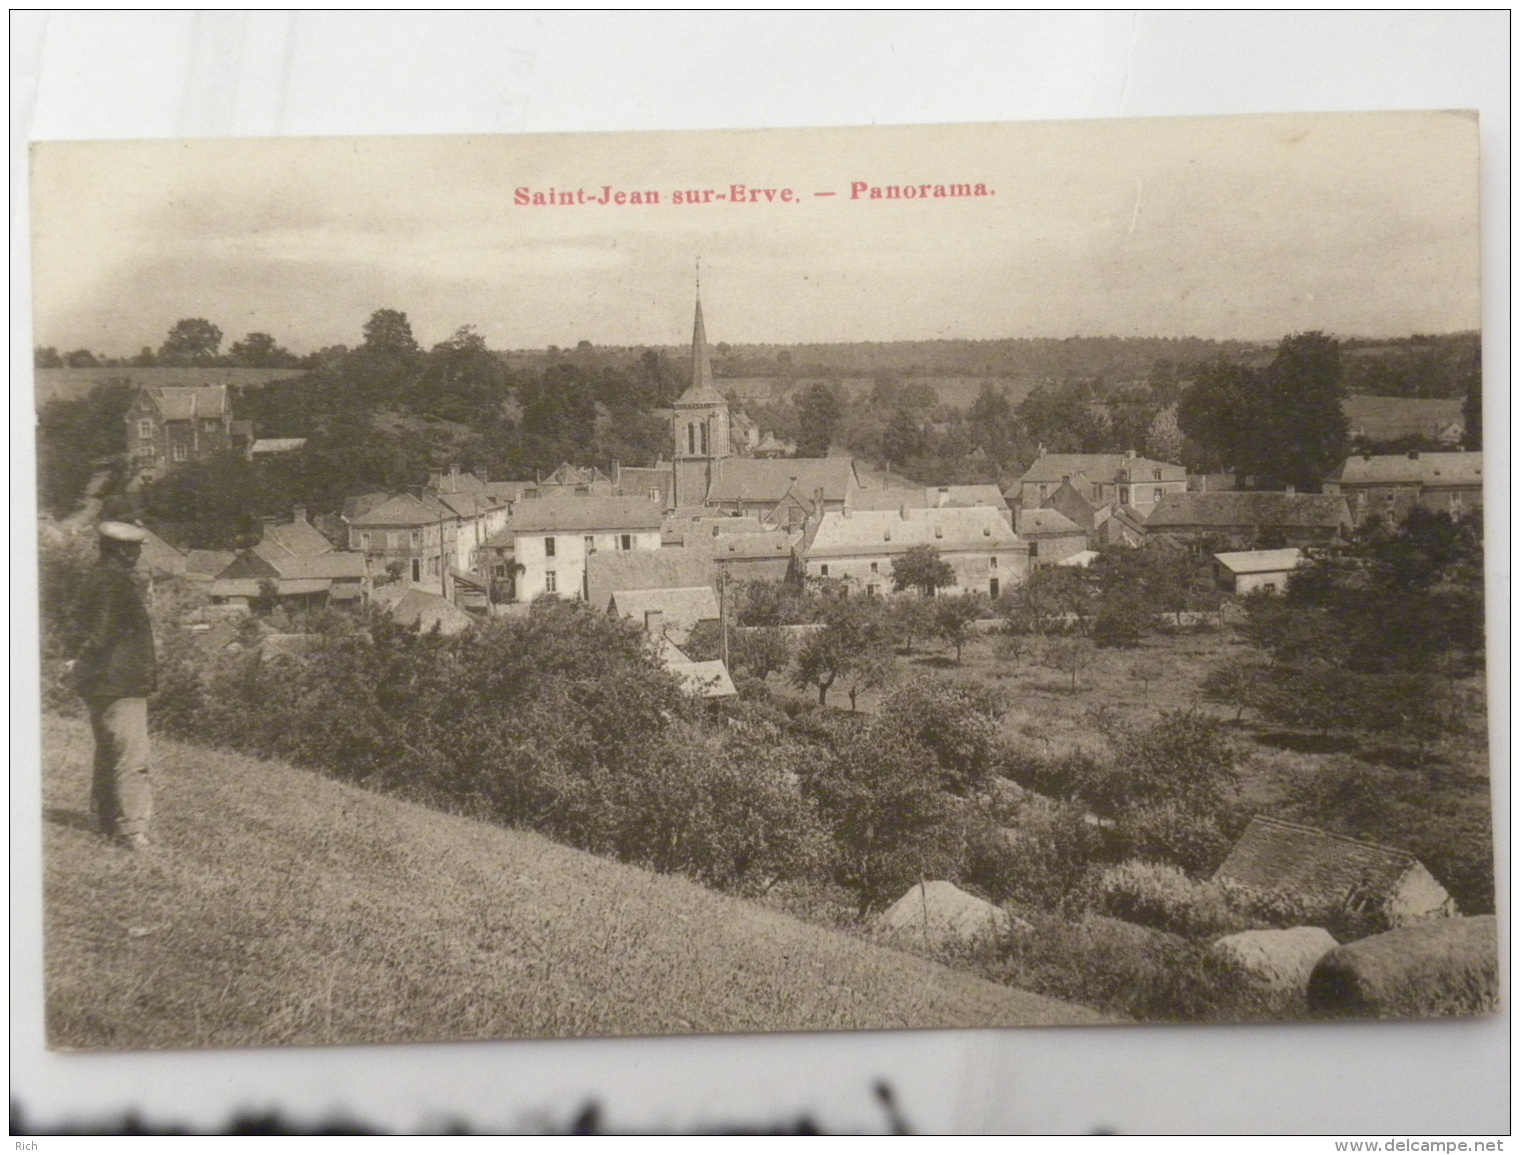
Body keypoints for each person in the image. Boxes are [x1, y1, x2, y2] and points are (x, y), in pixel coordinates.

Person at [72, 521, 157, 851]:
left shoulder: (95, 578)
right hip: (120, 682)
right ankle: (132, 829)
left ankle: (104, 819)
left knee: (109, 750)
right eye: (133, 549)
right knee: (131, 756)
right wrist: (84, 662)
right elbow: (102, 635)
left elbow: (83, 627)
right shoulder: (116, 584)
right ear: (121, 550)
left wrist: (79, 667)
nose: (137, 555)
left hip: (101, 683)